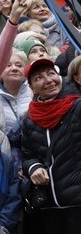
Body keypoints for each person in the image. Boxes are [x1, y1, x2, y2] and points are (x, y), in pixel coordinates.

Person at [21, 57, 81, 229]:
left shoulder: (77, 107)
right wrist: (34, 167)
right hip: (48, 206)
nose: (48, 80)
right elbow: (27, 156)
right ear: (32, 88)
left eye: (51, 74)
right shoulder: (29, 120)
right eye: (39, 78)